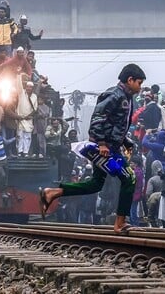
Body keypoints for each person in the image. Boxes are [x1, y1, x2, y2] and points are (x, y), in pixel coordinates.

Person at [38, 63, 146, 234]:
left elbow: (115, 124)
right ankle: (120, 223)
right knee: (129, 178)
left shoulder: (126, 97)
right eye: (139, 83)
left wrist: (125, 140)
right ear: (130, 80)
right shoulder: (115, 95)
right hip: (104, 149)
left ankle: (52, 193)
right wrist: (102, 143)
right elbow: (98, 118)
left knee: (95, 184)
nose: (140, 88)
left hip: (111, 147)